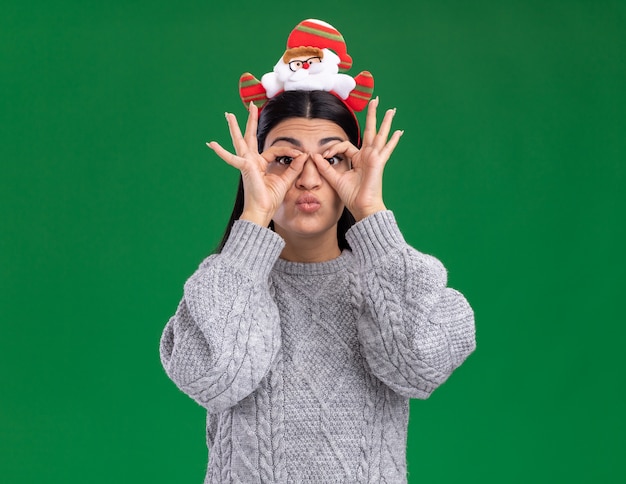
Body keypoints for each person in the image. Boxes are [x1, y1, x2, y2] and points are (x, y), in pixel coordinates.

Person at [159, 19, 475, 484]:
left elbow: (420, 364)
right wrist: (253, 219)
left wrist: (370, 211)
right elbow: (212, 376)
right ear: (254, 167)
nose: (308, 179)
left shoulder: (388, 281)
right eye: (284, 159)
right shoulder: (227, 287)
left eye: (333, 159)